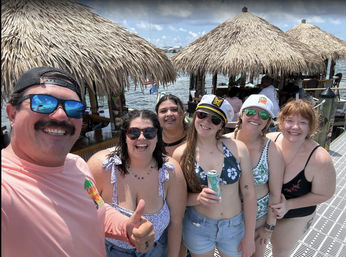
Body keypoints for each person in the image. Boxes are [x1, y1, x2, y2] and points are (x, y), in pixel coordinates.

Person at [1, 66, 155, 257]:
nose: (60, 115)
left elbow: (95, 209)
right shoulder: (6, 186)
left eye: (74, 108)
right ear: (12, 114)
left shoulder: (77, 164)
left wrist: (126, 227)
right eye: (43, 103)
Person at [87, 109, 187, 257]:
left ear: (157, 136)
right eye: (134, 132)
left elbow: (176, 223)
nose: (141, 138)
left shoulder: (170, 172)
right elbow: (85, 217)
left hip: (156, 251)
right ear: (124, 136)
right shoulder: (101, 166)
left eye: (149, 132)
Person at [173, 94, 257, 257]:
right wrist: (197, 198)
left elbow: (249, 194)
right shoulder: (181, 154)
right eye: (202, 115)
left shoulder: (237, 148)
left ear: (221, 126)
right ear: (194, 116)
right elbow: (177, 199)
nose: (206, 122)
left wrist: (249, 236)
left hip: (233, 227)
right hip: (198, 226)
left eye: (215, 120)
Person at [267, 99, 336, 257]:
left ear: (311, 126)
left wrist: (289, 205)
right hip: (265, 208)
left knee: (280, 249)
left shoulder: (320, 159)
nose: (295, 127)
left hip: (296, 212)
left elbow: (325, 193)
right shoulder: (269, 141)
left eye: (302, 122)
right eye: (289, 120)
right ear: (281, 122)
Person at [224, 94, 284, 257]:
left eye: (263, 115)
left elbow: (275, 193)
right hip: (228, 219)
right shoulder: (224, 142)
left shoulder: (271, 150)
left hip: (259, 222)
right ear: (241, 114)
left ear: (267, 121)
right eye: (251, 112)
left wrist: (269, 228)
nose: (256, 117)